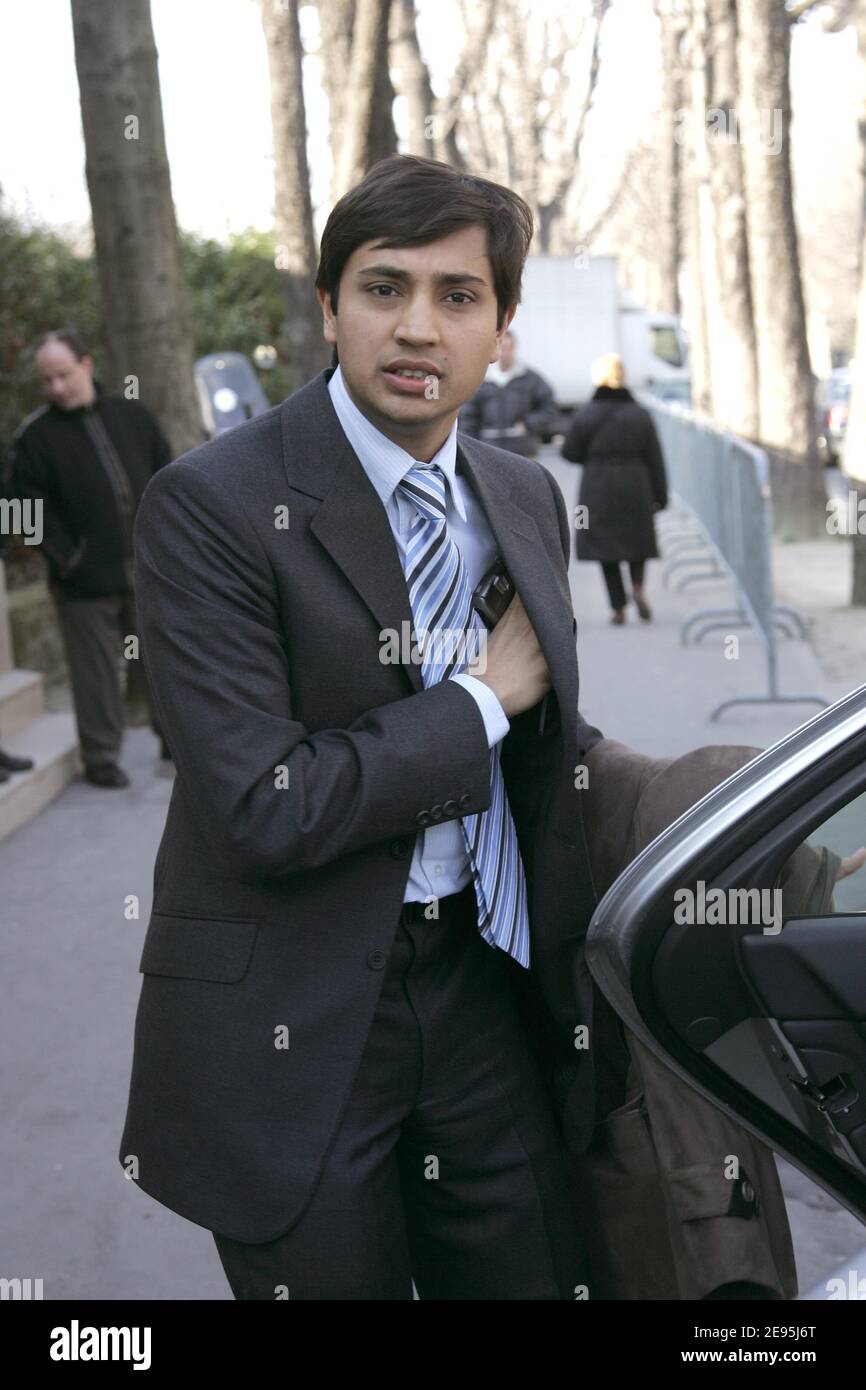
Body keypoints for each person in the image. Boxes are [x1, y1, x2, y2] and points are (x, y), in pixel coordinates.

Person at [118, 154, 606, 1300]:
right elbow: (261, 805)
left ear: (501, 330)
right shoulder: (213, 504)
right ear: (329, 306)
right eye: (384, 288)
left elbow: (548, 754)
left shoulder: (524, 495)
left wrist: (741, 814)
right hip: (296, 1013)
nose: (417, 328)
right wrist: (481, 697)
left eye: (457, 295)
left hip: (482, 988)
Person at [9, 330, 173, 787]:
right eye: (46, 380)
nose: (56, 387)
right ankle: (101, 758)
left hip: (147, 570)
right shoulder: (35, 437)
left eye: (62, 375)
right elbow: (22, 514)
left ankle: (176, 743)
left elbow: (168, 475)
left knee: (166, 660)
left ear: (86, 365)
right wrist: (68, 559)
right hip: (83, 583)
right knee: (95, 674)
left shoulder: (132, 414)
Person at [561, 352, 668, 625]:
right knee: (637, 541)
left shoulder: (586, 415)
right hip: (636, 483)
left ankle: (617, 606)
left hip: (598, 485)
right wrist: (660, 494)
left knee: (603, 547)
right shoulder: (640, 415)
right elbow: (654, 457)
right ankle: (638, 587)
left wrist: (593, 456)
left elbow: (569, 452)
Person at [458, 329, 556, 457]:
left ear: (514, 348)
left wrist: (528, 424)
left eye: (508, 348)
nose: (505, 353)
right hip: (489, 452)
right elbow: (468, 416)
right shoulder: (482, 380)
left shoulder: (531, 379)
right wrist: (470, 446)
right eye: (502, 348)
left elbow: (549, 407)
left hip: (523, 451)